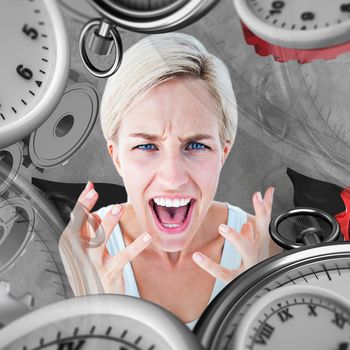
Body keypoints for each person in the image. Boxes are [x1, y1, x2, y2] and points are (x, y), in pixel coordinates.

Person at [59, 32, 279, 330]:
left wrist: (261, 310)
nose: (173, 178)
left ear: (223, 153)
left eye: (197, 146)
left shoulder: (261, 250)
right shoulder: (82, 249)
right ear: (117, 157)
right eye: (146, 146)